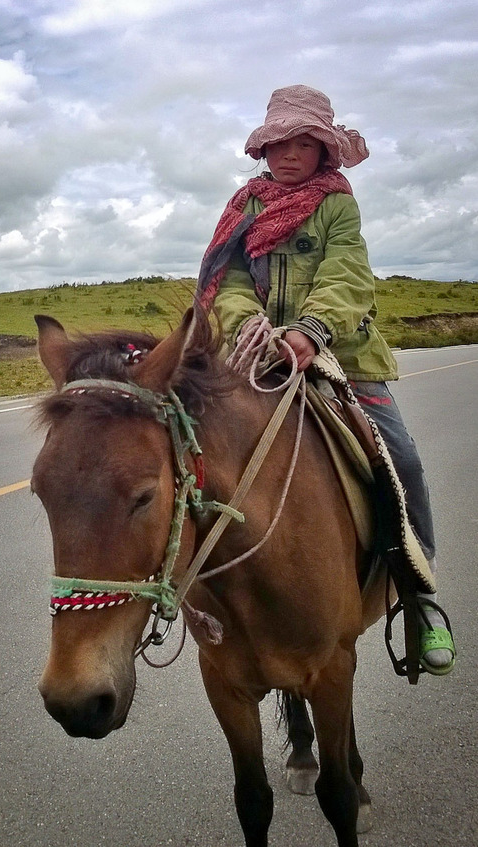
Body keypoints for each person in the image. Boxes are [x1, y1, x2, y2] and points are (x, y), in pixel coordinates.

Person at [196, 84, 455, 675]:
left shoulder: (337, 203)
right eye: (279, 142)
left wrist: (310, 331)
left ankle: (420, 594)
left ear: (323, 149)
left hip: (343, 355)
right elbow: (230, 279)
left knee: (404, 460)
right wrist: (249, 326)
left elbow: (347, 273)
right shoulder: (245, 207)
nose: (290, 153)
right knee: (203, 455)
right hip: (258, 355)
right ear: (264, 149)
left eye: (304, 142)